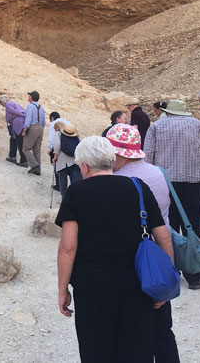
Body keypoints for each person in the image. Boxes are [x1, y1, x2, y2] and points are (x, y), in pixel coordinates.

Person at [56, 136, 173, 363]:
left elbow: (68, 248)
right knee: (137, 350)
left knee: (96, 351)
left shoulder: (76, 193)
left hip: (92, 288)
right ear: (112, 160)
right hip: (136, 285)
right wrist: (164, 284)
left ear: (85, 166)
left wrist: (62, 290)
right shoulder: (139, 188)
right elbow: (164, 237)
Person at [107, 123, 180, 363]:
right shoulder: (157, 172)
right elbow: (164, 229)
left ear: (118, 154)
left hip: (135, 260)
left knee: (134, 330)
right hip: (158, 255)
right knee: (162, 328)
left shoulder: (119, 180)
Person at [144, 99, 200, 290]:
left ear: (167, 112)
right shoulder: (197, 125)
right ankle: (194, 276)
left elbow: (147, 157)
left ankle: (171, 272)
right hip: (193, 185)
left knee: (167, 228)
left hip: (164, 184)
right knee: (192, 227)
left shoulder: (156, 127)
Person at [52, 124, 83, 198]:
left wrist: (55, 158)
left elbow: (57, 147)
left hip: (62, 163)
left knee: (63, 186)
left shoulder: (58, 134)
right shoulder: (76, 136)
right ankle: (75, 202)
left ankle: (65, 202)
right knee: (76, 185)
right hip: (74, 162)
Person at [0, 95, 27, 167]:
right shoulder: (15, 104)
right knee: (14, 140)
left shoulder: (8, 105)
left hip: (17, 123)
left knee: (19, 141)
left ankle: (23, 161)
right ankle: (12, 156)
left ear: (3, 101)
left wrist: (22, 115)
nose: (1, 105)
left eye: (1, 103)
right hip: (21, 123)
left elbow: (13, 113)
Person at [22, 91, 46, 175]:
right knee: (37, 150)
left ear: (31, 97)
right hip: (40, 128)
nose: (28, 97)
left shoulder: (30, 106)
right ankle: (38, 170)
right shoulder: (41, 107)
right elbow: (44, 121)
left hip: (33, 127)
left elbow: (28, 119)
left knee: (26, 148)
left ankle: (34, 165)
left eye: (29, 96)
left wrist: (25, 129)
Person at [48, 112, 69, 189]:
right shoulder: (67, 122)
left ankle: (59, 185)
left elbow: (51, 139)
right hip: (68, 147)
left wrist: (50, 149)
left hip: (58, 148)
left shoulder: (53, 124)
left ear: (52, 118)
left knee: (57, 166)